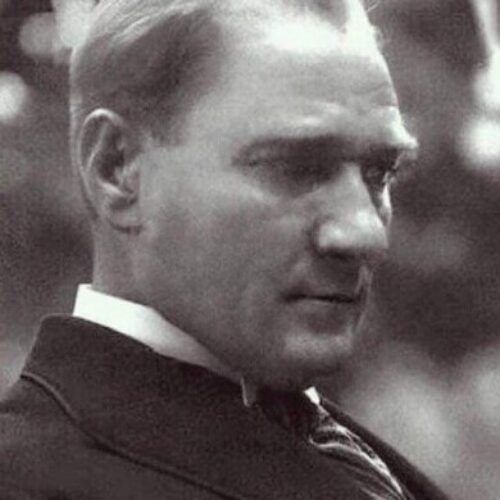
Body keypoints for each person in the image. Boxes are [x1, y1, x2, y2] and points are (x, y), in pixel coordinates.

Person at [0, 0, 448, 498]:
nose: (366, 234)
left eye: (380, 173)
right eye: (297, 168)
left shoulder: (344, 452)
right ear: (117, 170)